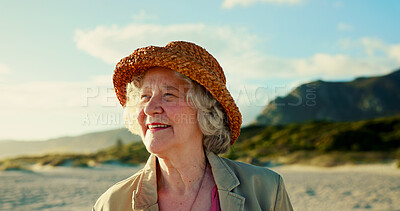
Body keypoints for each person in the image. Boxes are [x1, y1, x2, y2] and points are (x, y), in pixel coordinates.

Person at [93, 41, 293, 211]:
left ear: (205, 111)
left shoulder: (266, 189)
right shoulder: (111, 204)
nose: (150, 108)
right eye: (145, 96)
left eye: (169, 95)